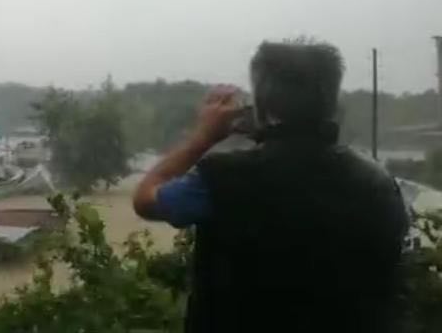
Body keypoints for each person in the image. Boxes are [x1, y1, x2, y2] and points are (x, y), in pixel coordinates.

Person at [133, 40, 408, 333]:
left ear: (261, 106)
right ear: (331, 105)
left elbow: (145, 198)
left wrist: (203, 137)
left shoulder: (222, 179)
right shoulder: (378, 184)